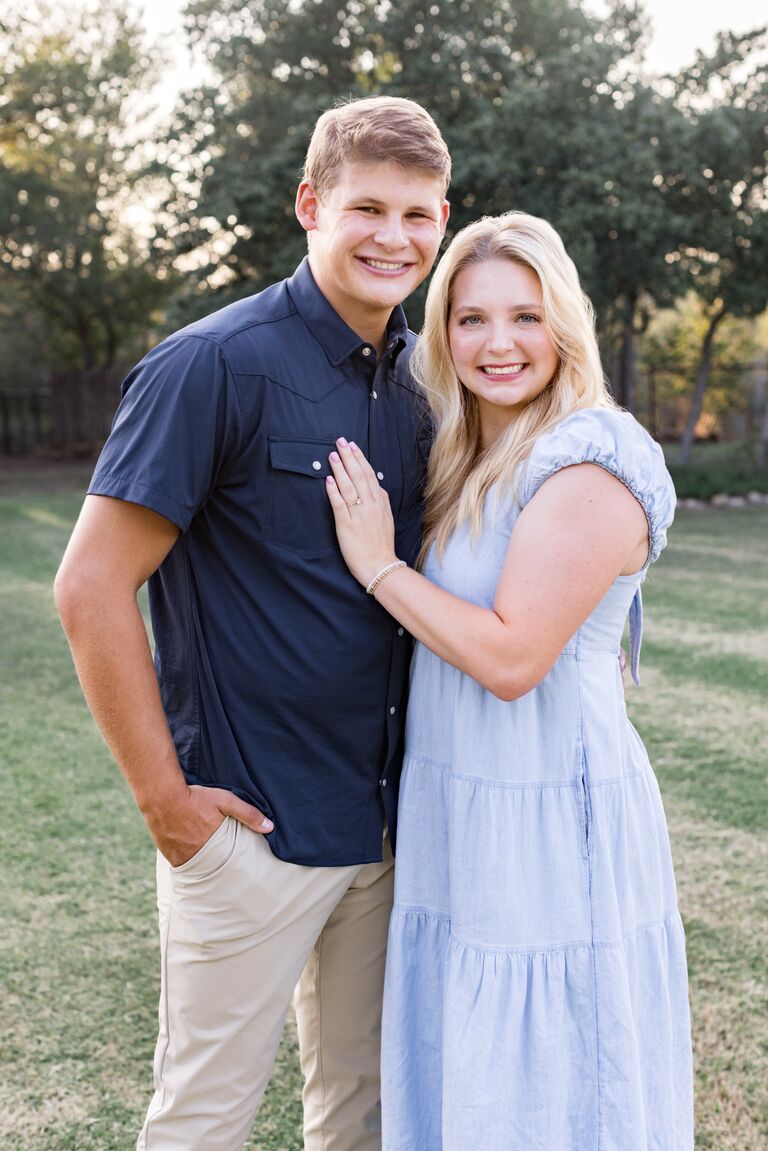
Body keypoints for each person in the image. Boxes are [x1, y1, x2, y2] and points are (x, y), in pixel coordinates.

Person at [54, 95, 450, 1151]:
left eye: (418, 215)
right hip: (251, 833)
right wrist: (167, 804)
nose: (393, 237)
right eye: (368, 207)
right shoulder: (211, 364)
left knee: (364, 1116)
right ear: (310, 204)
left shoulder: (426, 384)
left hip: (390, 832)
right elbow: (91, 587)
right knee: (202, 1121)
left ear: (443, 221)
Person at [324, 212, 694, 1151]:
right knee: (474, 1065)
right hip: (463, 803)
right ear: (441, 332)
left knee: (550, 1071)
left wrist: (379, 566)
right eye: (471, 318)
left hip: (545, 810)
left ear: (564, 323)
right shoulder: (467, 452)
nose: (498, 344)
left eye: (525, 317)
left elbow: (512, 658)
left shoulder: (590, 454)